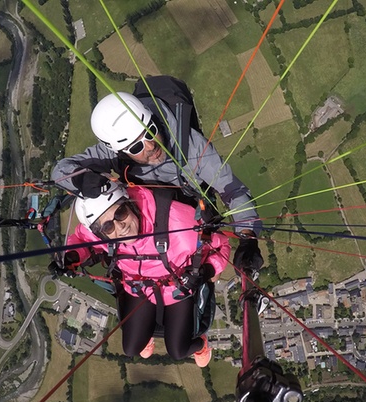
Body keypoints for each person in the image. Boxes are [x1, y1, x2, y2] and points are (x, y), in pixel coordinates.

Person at [50, 85, 263, 276]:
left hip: (189, 211)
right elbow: (60, 171)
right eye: (136, 147)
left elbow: (231, 188)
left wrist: (247, 236)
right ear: (120, 151)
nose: (150, 146)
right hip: (147, 216)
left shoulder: (190, 145)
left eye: (150, 132)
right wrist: (80, 180)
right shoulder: (113, 155)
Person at [59, 180, 230, 367]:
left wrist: (205, 271)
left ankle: (201, 345)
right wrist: (71, 256)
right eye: (108, 227)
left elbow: (221, 245)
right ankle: (146, 333)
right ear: (101, 233)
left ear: (129, 204)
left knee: (178, 350)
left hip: (177, 289)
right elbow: (82, 240)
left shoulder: (178, 224)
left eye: (120, 213)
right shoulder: (101, 233)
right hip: (139, 290)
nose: (120, 226)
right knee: (131, 348)